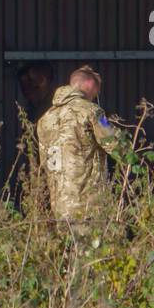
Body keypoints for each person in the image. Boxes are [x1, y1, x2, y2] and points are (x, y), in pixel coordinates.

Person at [35, 66, 122, 223]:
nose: (96, 95)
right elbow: (115, 145)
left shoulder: (45, 119)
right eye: (97, 91)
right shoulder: (92, 111)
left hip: (59, 206)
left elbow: (46, 163)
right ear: (89, 84)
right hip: (88, 205)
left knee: (69, 247)